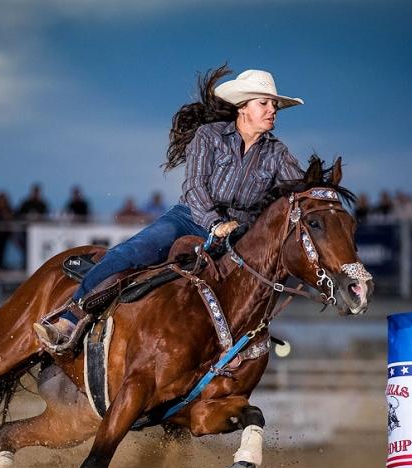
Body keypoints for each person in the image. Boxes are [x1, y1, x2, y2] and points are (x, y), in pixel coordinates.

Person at [34, 66, 305, 353]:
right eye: (264, 103)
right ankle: (70, 317)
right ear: (242, 107)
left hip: (238, 237)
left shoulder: (279, 154)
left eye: (274, 105)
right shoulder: (209, 135)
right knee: (134, 252)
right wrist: (215, 223)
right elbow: (194, 187)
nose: (272, 109)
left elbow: (300, 194)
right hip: (189, 219)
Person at [0, 191, 15, 269]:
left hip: (5, 233)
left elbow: (11, 217)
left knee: (4, 249)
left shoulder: (8, 208)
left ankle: (2, 264)